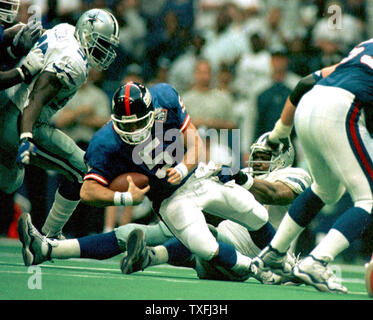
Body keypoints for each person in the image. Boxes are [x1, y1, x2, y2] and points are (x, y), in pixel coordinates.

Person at [19, 80, 269, 281]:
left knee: (244, 219)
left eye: (138, 123)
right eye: (126, 125)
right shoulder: (106, 141)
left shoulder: (166, 100)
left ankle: (53, 248)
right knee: (202, 246)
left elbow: (196, 143)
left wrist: (236, 177)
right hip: (178, 204)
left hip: (215, 214)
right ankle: (265, 267)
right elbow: (88, 191)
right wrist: (124, 197)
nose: (133, 131)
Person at [17, 131, 311, 285]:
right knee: (157, 230)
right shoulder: (241, 175)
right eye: (257, 157)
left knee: (206, 234)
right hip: (223, 250)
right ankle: (49, 249)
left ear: (283, 157)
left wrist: (241, 179)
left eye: (265, 158)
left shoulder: (293, 175)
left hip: (258, 255)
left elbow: (276, 194)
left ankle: (152, 257)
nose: (258, 163)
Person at [252, 38, 373, 294]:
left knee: (326, 189)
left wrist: (278, 134)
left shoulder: (365, 46)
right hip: (342, 109)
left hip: (310, 103)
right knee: (369, 200)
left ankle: (274, 253)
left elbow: (305, 82)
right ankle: (317, 261)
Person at [2, 8, 119, 240]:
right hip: (25, 121)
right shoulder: (74, 62)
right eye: (101, 43)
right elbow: (35, 100)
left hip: (8, 116)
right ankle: (50, 236)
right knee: (82, 169)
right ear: (87, 33)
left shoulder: (65, 30)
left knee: (9, 181)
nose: (104, 51)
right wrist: (26, 137)